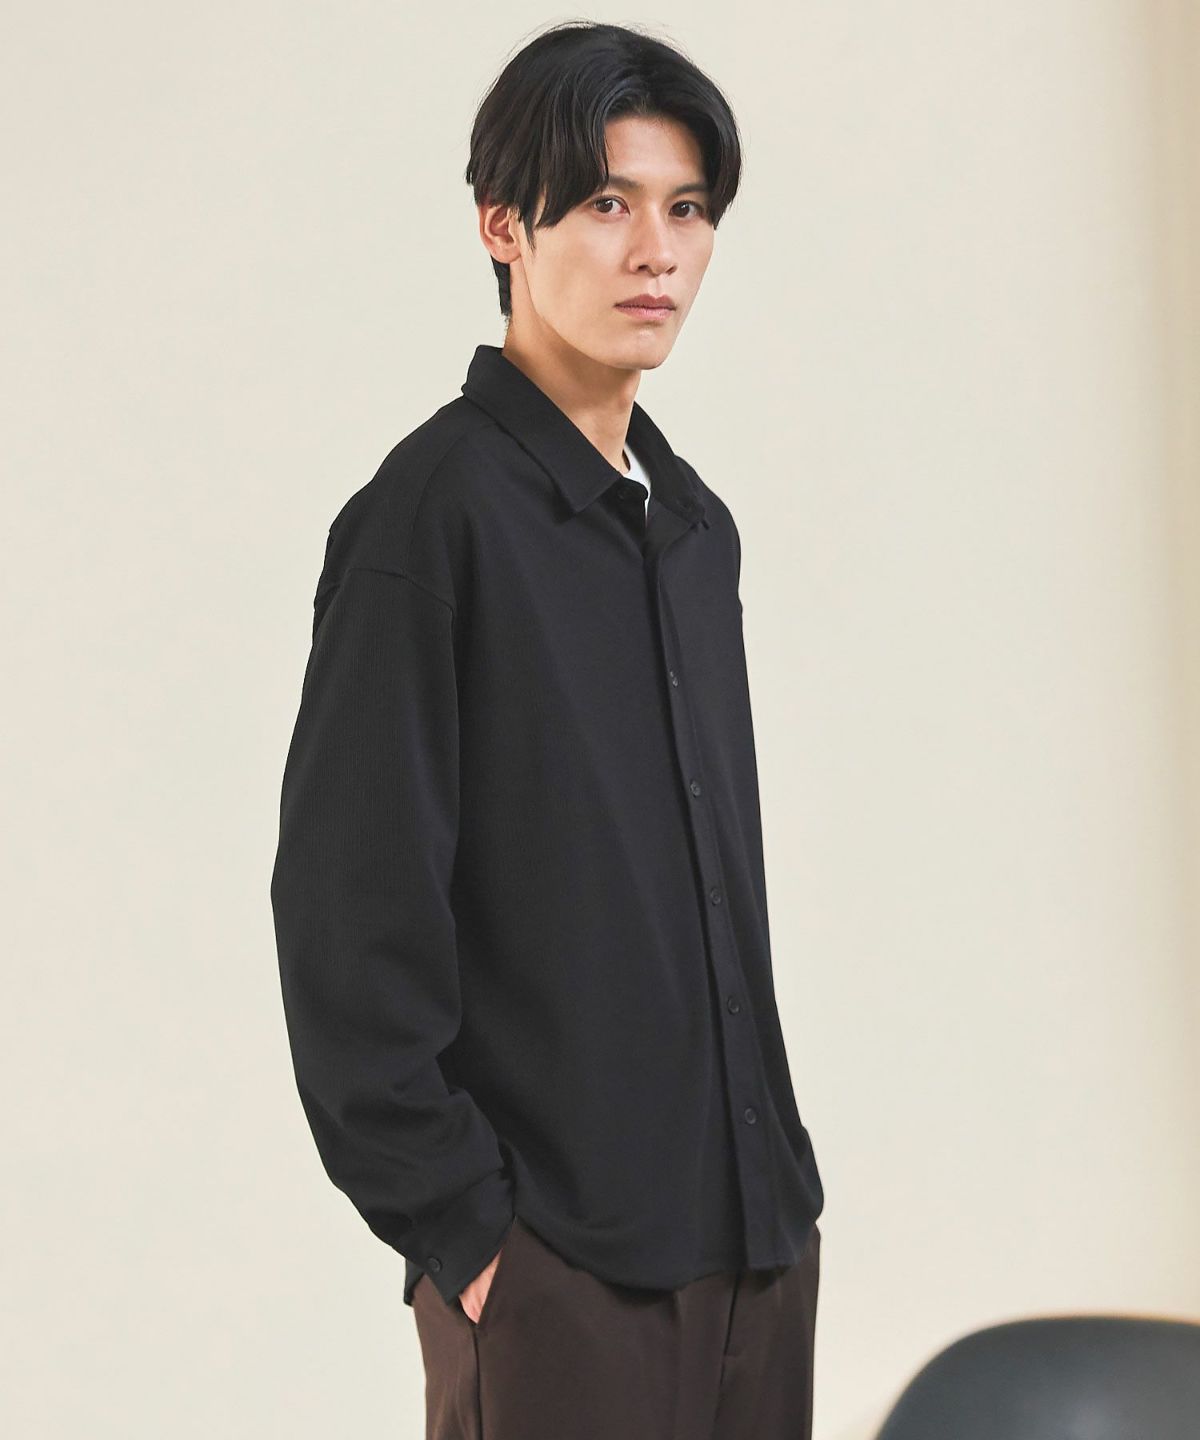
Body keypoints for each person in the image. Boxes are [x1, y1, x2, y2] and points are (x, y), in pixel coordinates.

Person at [270, 19, 825, 1440]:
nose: (657, 253)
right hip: (561, 1278)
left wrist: (775, 1189)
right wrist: (472, 1236)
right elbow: (347, 922)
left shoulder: (690, 531)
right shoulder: (427, 521)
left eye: (687, 210)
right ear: (503, 225)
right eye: (606, 203)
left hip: (756, 1248)